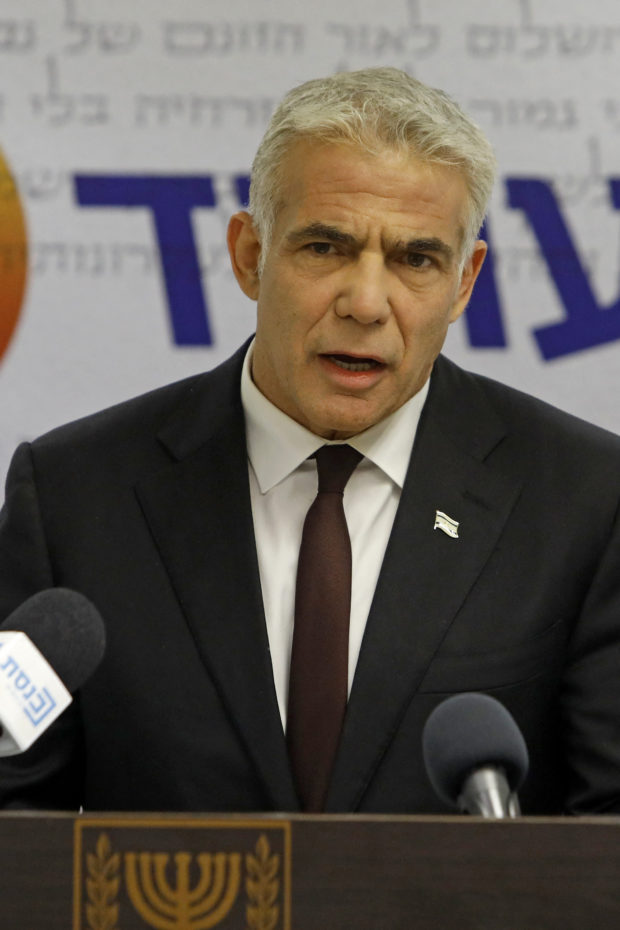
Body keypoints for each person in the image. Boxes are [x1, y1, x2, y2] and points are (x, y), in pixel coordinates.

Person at [1, 67, 620, 814]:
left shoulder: (584, 501)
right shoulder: (74, 496)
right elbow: (15, 820)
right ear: (249, 255)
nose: (365, 303)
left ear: (463, 283)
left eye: (415, 259)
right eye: (325, 248)